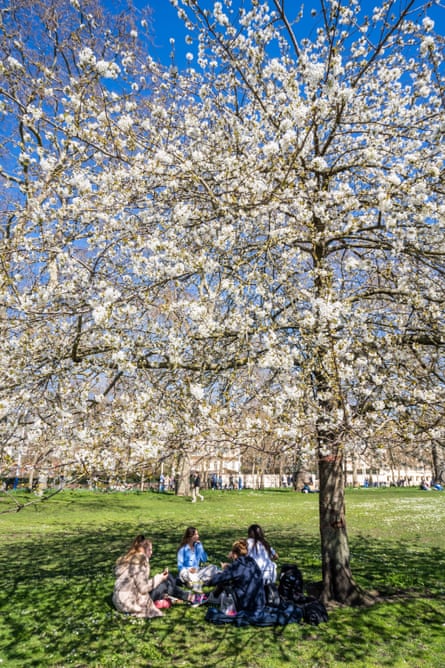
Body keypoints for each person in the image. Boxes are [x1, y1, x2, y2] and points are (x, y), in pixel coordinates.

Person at [112, 534, 201, 617]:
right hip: (132, 602)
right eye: (150, 550)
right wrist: (159, 578)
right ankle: (191, 597)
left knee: (168, 577)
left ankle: (171, 596)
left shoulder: (131, 560)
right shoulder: (140, 563)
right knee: (165, 583)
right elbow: (143, 589)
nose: (151, 552)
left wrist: (160, 577)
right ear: (143, 549)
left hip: (121, 601)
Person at [207, 539, 266, 616]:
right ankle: (214, 596)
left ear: (234, 553)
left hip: (246, 603)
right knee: (229, 578)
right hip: (260, 601)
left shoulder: (238, 565)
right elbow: (241, 572)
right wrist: (230, 566)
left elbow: (222, 577)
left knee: (225, 581)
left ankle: (214, 596)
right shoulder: (251, 561)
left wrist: (207, 583)